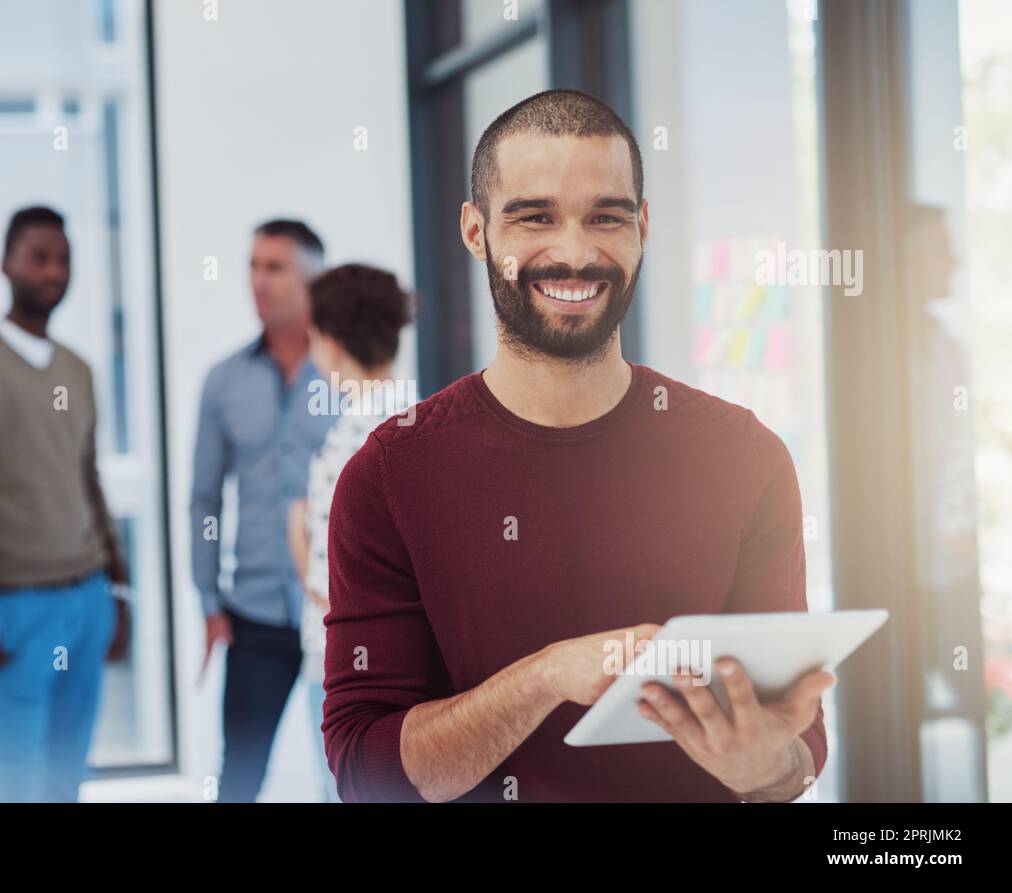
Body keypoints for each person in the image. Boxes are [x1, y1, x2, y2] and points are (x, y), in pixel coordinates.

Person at [322, 89, 835, 803]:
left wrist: (766, 771)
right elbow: (365, 772)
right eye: (535, 216)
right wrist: (545, 677)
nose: (574, 252)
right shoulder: (387, 475)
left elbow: (800, 746)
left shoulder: (745, 457)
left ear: (643, 228)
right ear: (476, 232)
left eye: (606, 217)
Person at [0, 206, 129, 802]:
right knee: (18, 784)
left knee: (67, 778)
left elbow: (87, 479)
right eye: (38, 256)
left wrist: (117, 589)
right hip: (10, 604)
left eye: (63, 258)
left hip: (87, 599)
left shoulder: (78, 370)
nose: (53, 270)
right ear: (5, 263)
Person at [191, 219, 336, 802]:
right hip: (253, 617)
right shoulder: (222, 382)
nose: (258, 280)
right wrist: (208, 599)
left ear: (312, 278)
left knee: (346, 778)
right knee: (239, 780)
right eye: (253, 265)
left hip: (335, 617)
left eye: (275, 267)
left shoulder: (348, 377)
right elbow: (203, 499)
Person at [287, 264, 414, 803]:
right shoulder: (418, 418)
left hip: (348, 664)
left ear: (331, 343)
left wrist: (299, 538)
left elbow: (335, 579)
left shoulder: (354, 439)